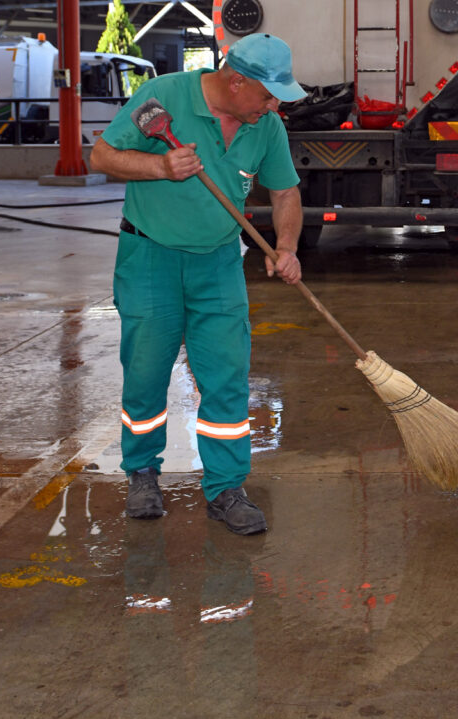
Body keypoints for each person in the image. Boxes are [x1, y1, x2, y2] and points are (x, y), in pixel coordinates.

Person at [90, 33, 306, 535]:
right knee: (145, 374)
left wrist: (288, 246)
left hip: (219, 263)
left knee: (227, 376)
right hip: (151, 257)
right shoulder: (163, 98)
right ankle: (142, 471)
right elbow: (101, 157)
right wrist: (160, 166)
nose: (274, 106)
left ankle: (226, 488)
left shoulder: (265, 126)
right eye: (268, 95)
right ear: (236, 82)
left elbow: (285, 192)